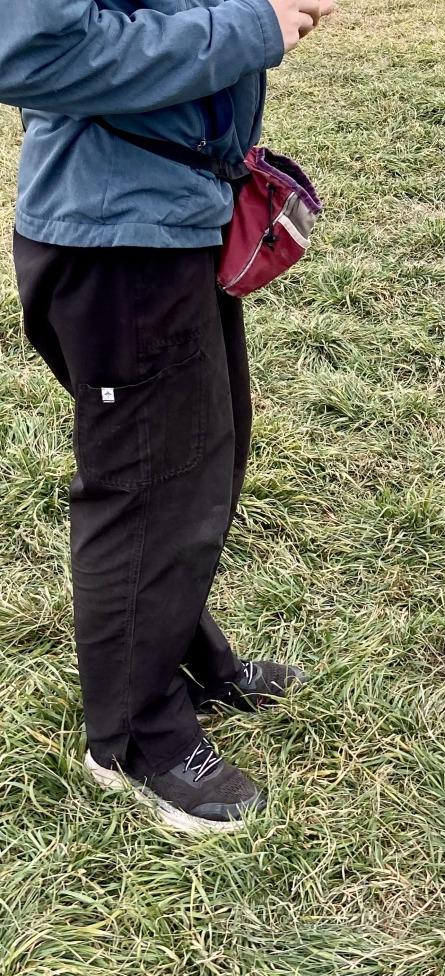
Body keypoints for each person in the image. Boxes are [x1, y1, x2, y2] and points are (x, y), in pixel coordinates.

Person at [1, 0, 334, 833]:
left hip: (170, 225)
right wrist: (254, 28)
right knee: (147, 491)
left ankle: (190, 659)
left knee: (201, 473)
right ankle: (133, 739)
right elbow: (32, 52)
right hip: (116, 249)